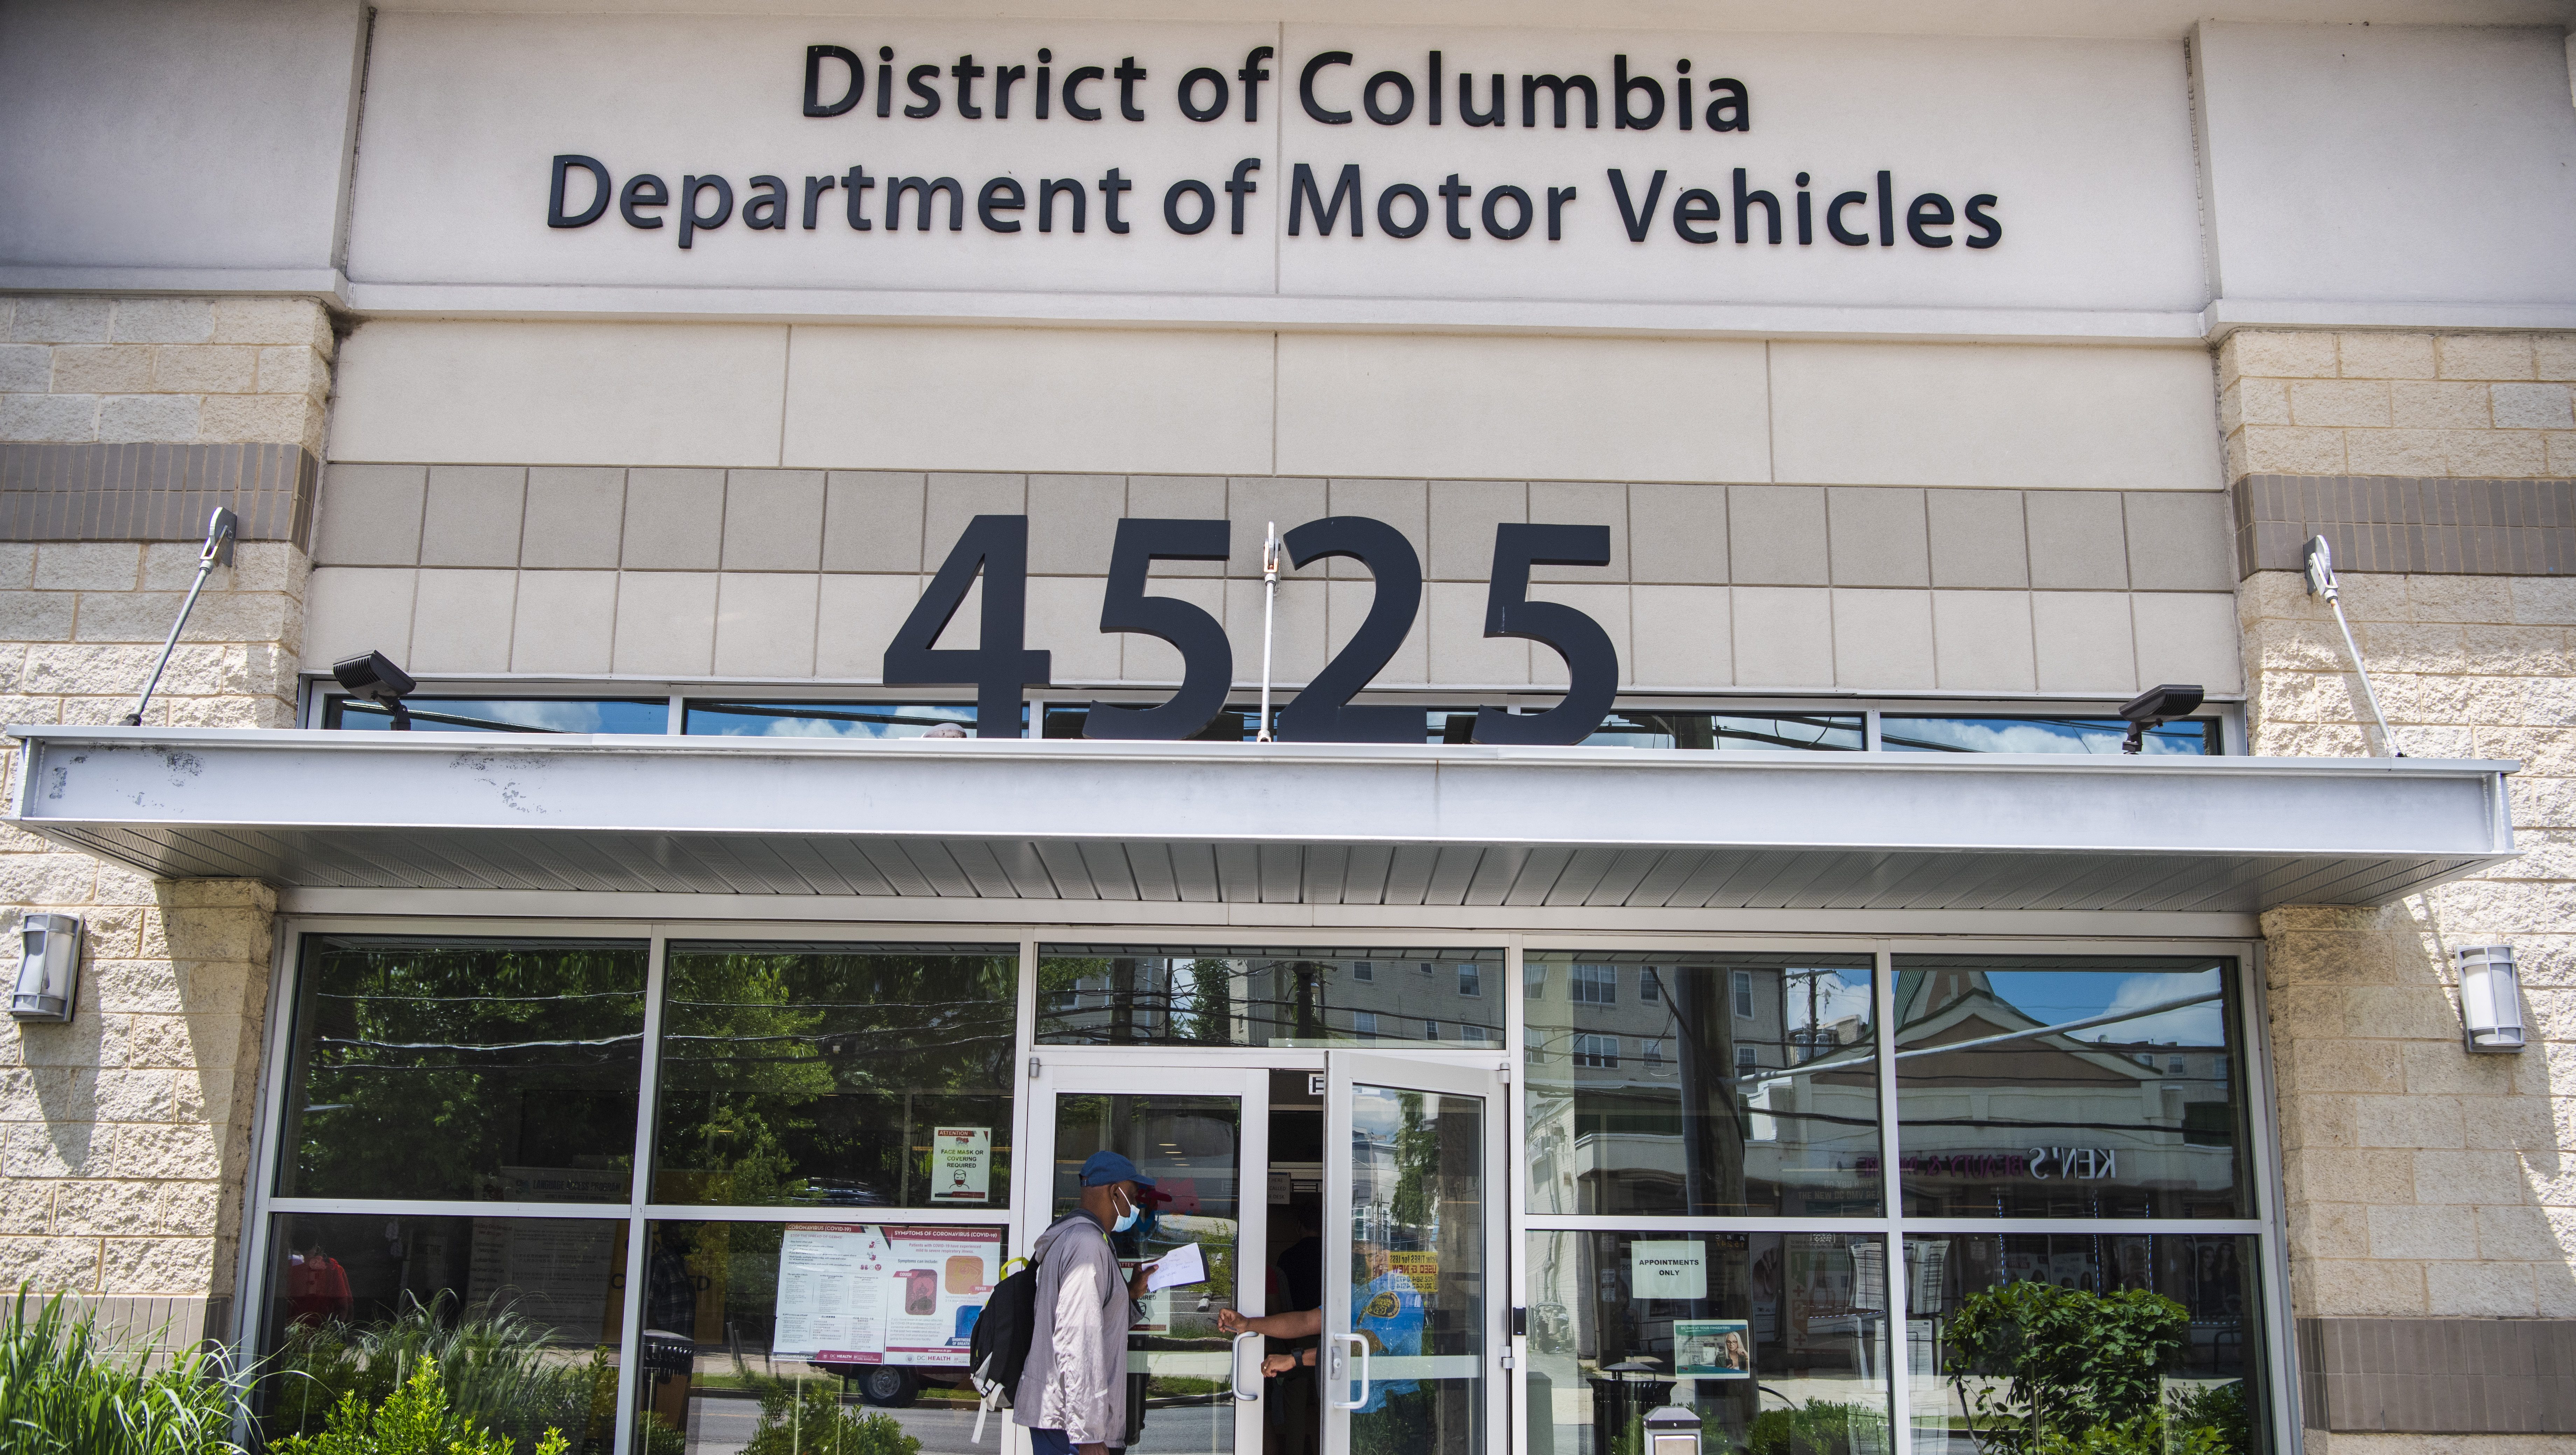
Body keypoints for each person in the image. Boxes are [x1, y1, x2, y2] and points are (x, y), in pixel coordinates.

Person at [1016, 1151, 1160, 1455]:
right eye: (1132, 1196)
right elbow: (1077, 1340)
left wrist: (1129, 1295)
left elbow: (1092, 1321)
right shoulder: (1087, 1246)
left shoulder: (1081, 1239)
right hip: (1071, 1428)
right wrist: (1089, 1435)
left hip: (1067, 1422)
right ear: (1114, 1192)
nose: (1135, 1205)